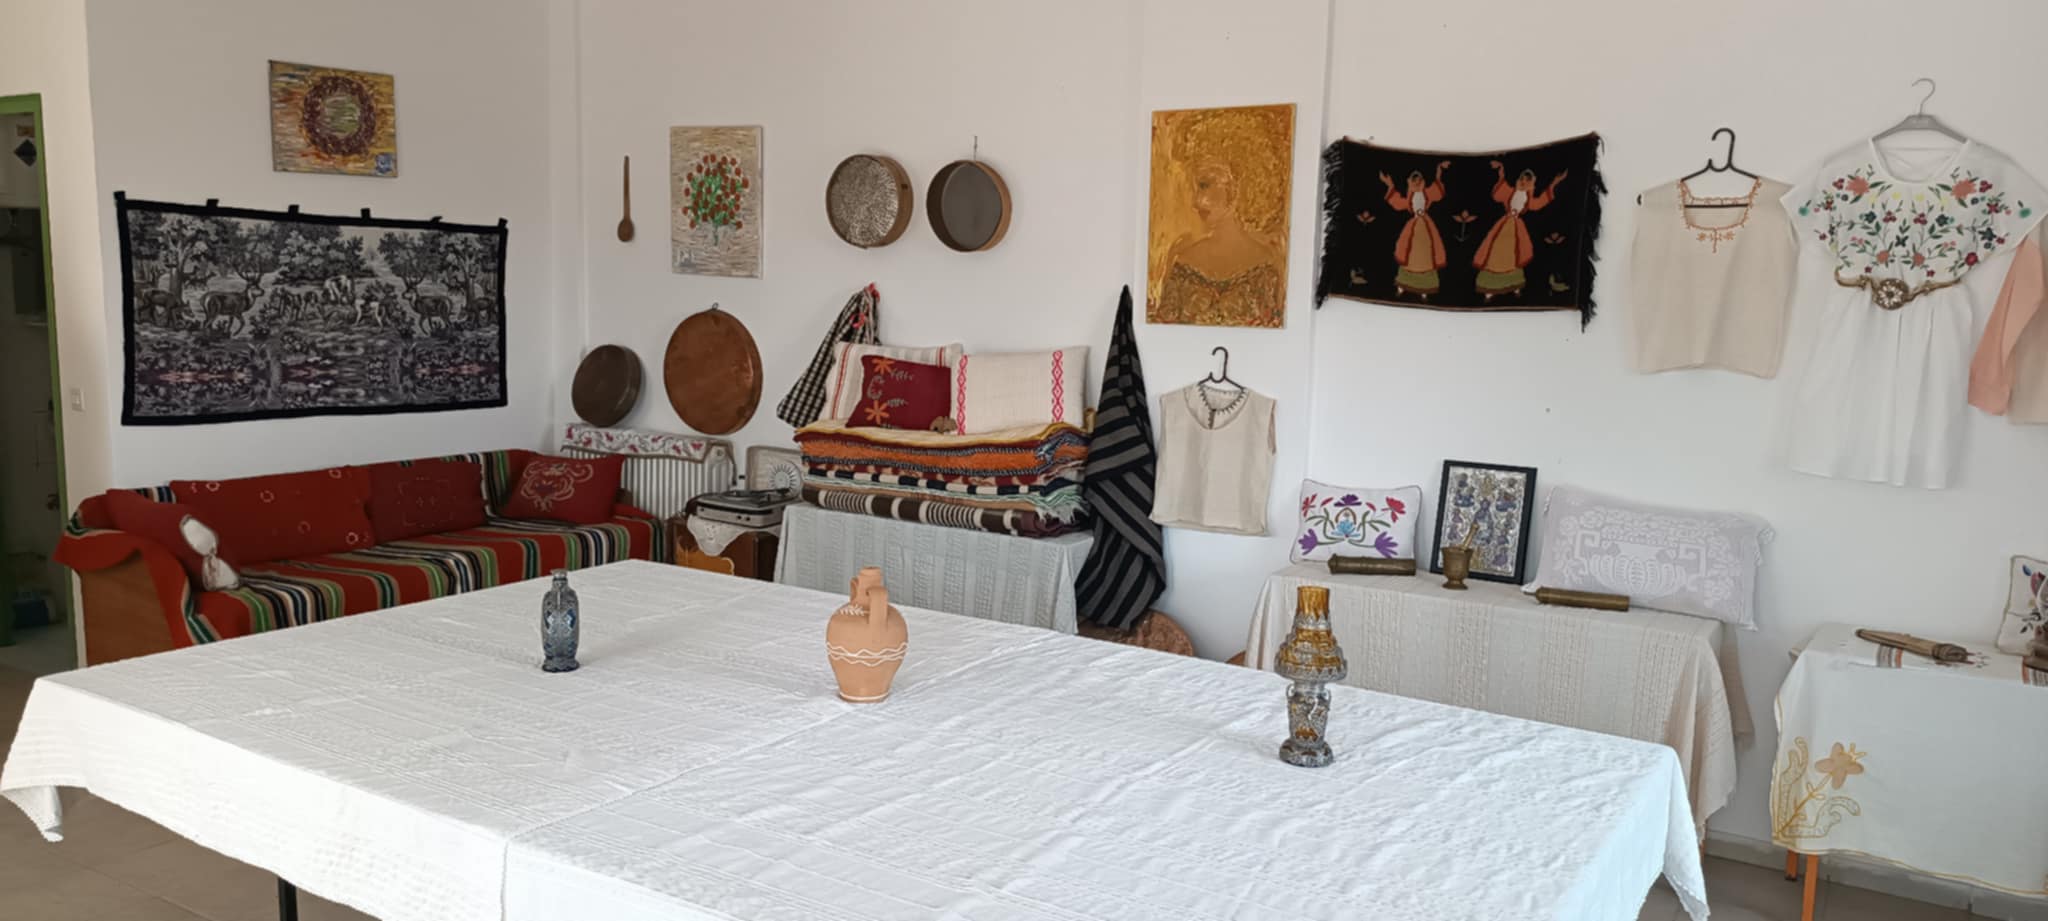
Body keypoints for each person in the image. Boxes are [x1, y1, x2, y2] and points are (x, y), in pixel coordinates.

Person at [1473, 161, 1567, 301]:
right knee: (1495, 252)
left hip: (1516, 228)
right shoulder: (1510, 192)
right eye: (1522, 179)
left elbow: (1539, 203)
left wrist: (1554, 183)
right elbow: (1498, 194)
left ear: (1531, 184)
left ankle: (1514, 285)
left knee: (1515, 255)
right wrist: (1501, 170)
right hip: (1504, 225)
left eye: (1527, 181)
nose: (1523, 182)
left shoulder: (1528, 199)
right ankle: (1490, 288)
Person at [1380, 161, 1450, 298]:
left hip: (1426, 227)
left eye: (1419, 181)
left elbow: (1437, 191)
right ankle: (1403, 285)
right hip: (1413, 228)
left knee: (1427, 255)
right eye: (1414, 181)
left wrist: (1439, 170)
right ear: (1410, 183)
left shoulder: (1427, 194)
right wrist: (1390, 185)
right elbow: (1398, 203)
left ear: (1423, 182)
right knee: (1409, 254)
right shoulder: (1409, 199)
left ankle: (1426, 288)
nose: (1417, 183)